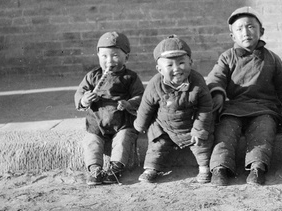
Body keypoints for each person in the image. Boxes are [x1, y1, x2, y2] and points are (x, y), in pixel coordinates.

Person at [206, 7, 282, 186]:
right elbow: (216, 78)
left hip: (264, 107)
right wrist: (218, 94)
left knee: (264, 129)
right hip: (235, 107)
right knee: (226, 129)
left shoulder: (273, 59)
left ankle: (257, 167)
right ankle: (220, 167)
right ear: (233, 36)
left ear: (261, 31)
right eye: (239, 29)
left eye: (251, 27)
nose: (245, 32)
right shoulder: (227, 57)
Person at [134, 35, 214, 184]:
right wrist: (140, 125)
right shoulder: (155, 83)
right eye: (169, 65)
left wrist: (199, 128)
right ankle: (152, 168)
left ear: (191, 62)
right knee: (157, 142)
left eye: (182, 63)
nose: (177, 69)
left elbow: (205, 107)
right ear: (159, 69)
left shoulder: (197, 82)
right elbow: (146, 105)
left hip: (190, 125)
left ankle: (204, 167)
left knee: (202, 143)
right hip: (164, 125)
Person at [74, 31, 145, 186]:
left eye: (115, 56)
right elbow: (79, 93)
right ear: (98, 55)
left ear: (126, 57)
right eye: (104, 56)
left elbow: (140, 96)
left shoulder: (130, 77)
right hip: (97, 121)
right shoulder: (92, 76)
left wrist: (129, 103)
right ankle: (94, 169)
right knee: (92, 141)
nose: (109, 61)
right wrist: (85, 99)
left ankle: (115, 168)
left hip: (122, 122)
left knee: (124, 139)